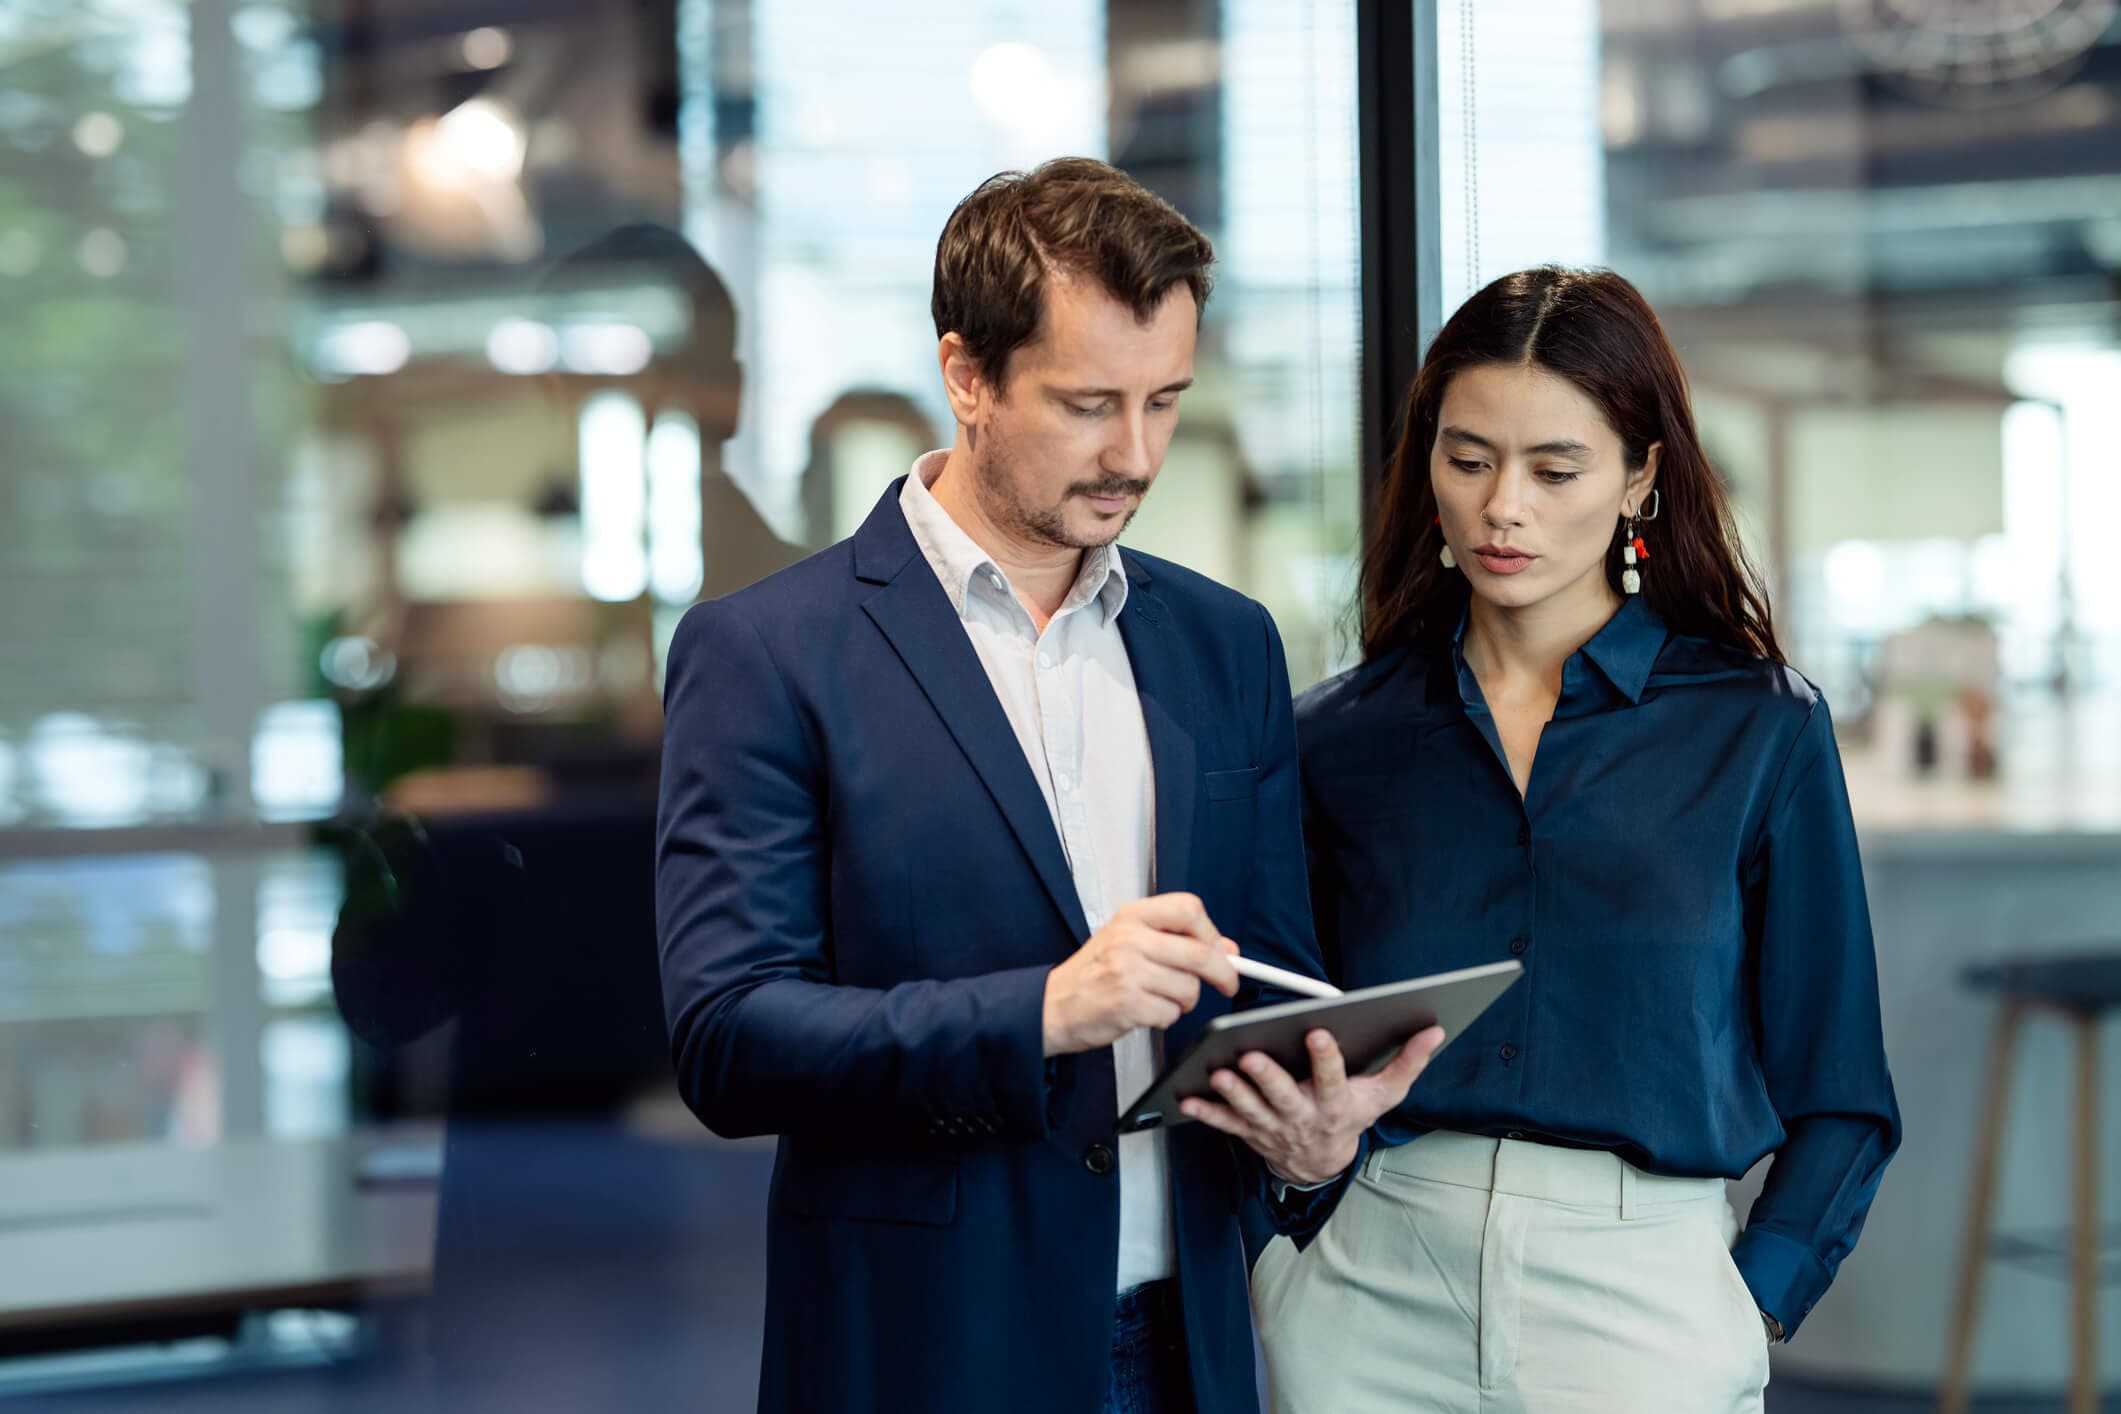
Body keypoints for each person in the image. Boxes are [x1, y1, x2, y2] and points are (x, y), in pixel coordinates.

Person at [653, 157, 1439, 1414]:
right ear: (967, 375)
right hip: (925, 1350)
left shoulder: (1224, 645)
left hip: (1189, 1343)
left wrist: (1313, 1137)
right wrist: (1043, 1010)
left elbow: (1271, 971)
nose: (1135, 454)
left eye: (1167, 401)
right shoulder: (768, 653)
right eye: (1088, 405)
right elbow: (728, 1038)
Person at [1236, 267, 1901, 1413]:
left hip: (1649, 1305)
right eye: (1469, 457)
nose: (1505, 507)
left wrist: (1749, 1305)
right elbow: (1282, 1040)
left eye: (1556, 469)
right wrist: (1284, 1234)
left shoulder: (1758, 728)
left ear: (1642, 477)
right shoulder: (1332, 741)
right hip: (1369, 1296)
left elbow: (1841, 1088)